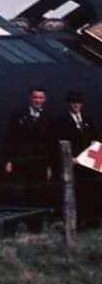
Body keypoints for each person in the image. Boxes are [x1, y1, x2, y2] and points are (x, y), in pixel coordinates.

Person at [54, 90, 101, 226]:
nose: (76, 105)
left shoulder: (87, 120)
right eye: (74, 102)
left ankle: (93, 219)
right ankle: (77, 221)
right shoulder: (61, 122)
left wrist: (94, 145)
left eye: (79, 102)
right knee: (77, 192)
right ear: (69, 104)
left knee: (92, 190)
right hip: (73, 163)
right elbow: (58, 142)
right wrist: (70, 159)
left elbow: (96, 138)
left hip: (89, 163)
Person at [3, 87, 53, 215]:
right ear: (30, 98)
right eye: (35, 97)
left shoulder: (48, 117)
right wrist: (8, 160)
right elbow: (10, 138)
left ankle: (35, 223)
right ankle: (16, 222)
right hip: (21, 161)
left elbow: (50, 142)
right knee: (18, 193)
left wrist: (49, 166)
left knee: (38, 193)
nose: (38, 100)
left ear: (45, 99)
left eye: (40, 98)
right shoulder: (18, 114)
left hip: (40, 162)